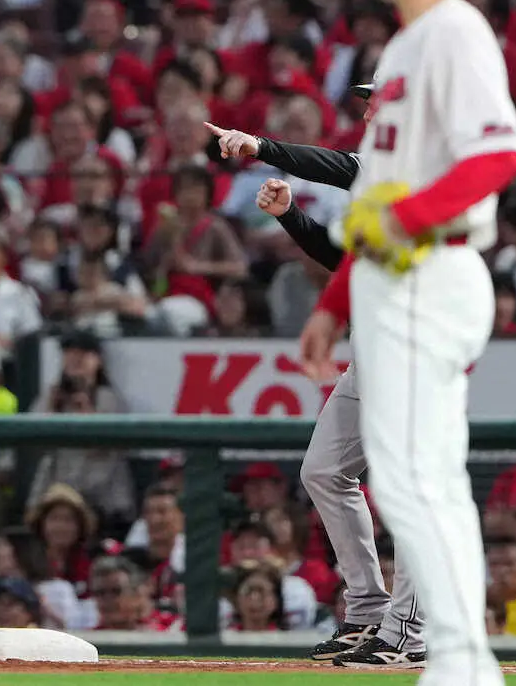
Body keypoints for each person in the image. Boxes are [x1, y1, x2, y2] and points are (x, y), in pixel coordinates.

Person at [298, 0, 516, 686]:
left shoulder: (456, 32)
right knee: (405, 480)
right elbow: (375, 206)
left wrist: (407, 220)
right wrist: (334, 304)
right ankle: (453, 657)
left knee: (420, 478)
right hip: (391, 281)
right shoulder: (402, 48)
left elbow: (501, 154)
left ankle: (453, 655)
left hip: (436, 270)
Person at [205, 92, 425, 668]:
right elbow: (345, 261)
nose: (370, 112)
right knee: (324, 471)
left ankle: (409, 631)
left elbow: (336, 166)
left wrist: (260, 146)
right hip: (373, 349)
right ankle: (369, 611)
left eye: (381, 102)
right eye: (370, 102)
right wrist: (291, 218)